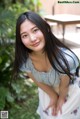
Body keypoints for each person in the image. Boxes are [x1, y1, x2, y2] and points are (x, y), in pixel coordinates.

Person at [13, 11, 80, 119]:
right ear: (20, 40)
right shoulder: (25, 60)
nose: (32, 38)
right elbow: (38, 81)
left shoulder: (65, 60)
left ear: (46, 28)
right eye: (24, 35)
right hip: (47, 90)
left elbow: (64, 86)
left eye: (35, 30)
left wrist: (61, 99)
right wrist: (53, 96)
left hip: (68, 91)